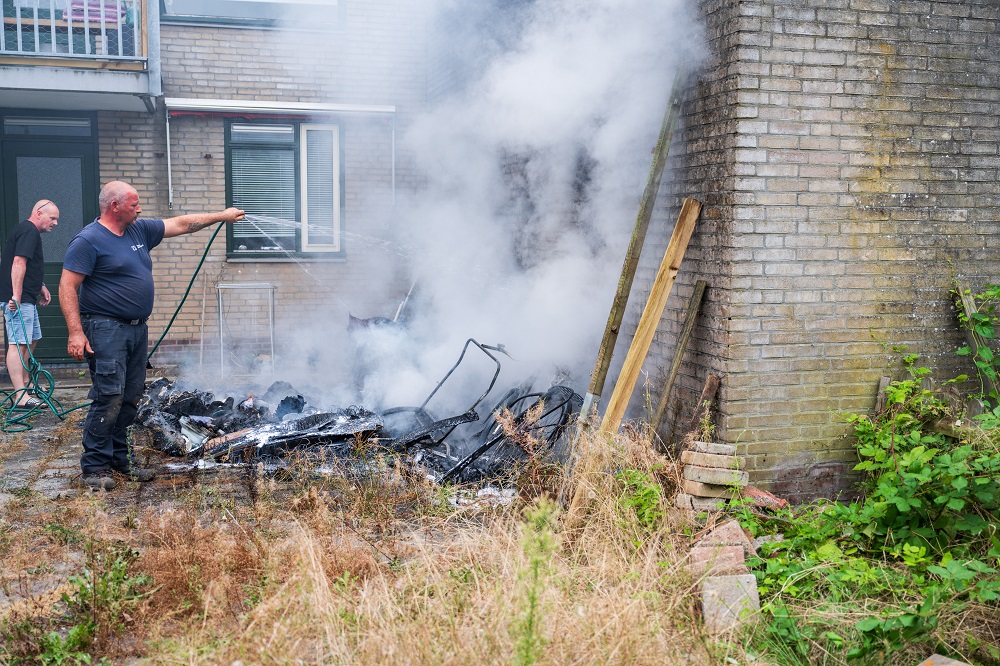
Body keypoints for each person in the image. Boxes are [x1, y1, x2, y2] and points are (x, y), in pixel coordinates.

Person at [59, 181, 244, 491]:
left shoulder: (138, 230)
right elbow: (66, 286)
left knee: (130, 397)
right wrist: (75, 332)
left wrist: (221, 216)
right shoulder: (88, 241)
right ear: (114, 206)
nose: (140, 208)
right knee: (109, 395)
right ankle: (95, 466)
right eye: (134, 204)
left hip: (136, 328)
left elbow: (183, 224)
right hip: (104, 328)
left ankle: (121, 458)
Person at [0, 200, 59, 409]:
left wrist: (40, 285)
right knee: (19, 344)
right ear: (39, 213)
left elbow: (28, 263)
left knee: (32, 339)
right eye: (52, 218)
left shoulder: (29, 232)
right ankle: (20, 396)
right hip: (19, 299)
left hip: (28, 297)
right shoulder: (29, 231)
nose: (55, 223)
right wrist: (16, 295)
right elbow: (18, 262)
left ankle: (26, 385)